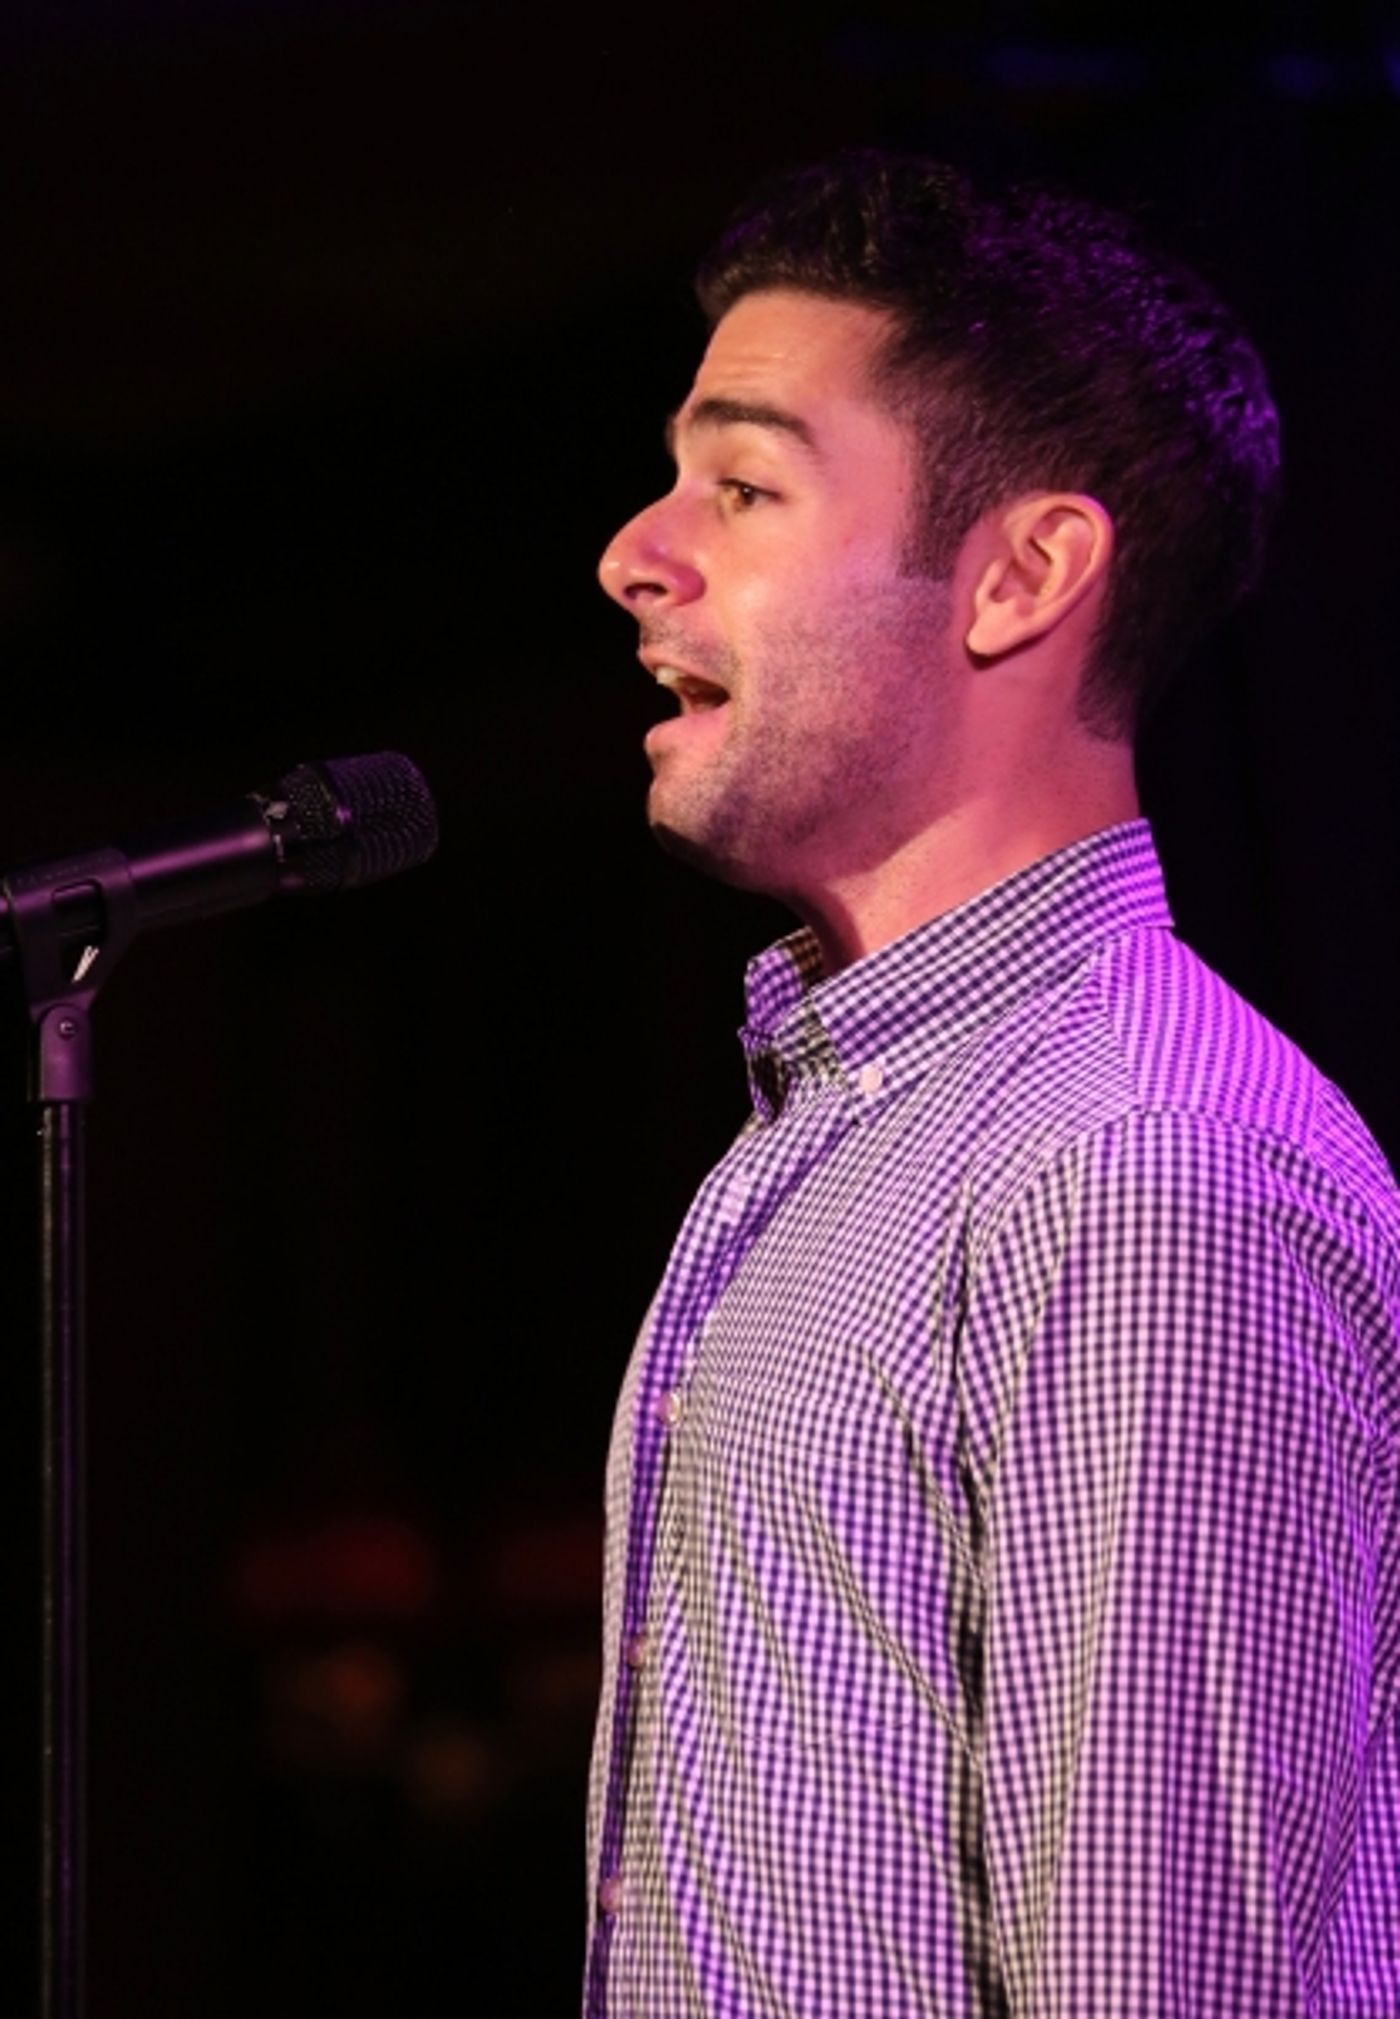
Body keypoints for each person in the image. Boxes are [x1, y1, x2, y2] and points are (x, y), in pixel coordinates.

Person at [584, 151, 1399, 2018]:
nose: (637, 548)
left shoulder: (1144, 1170)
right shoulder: (850, 1124)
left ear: (1022, 573)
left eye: (746, 484)